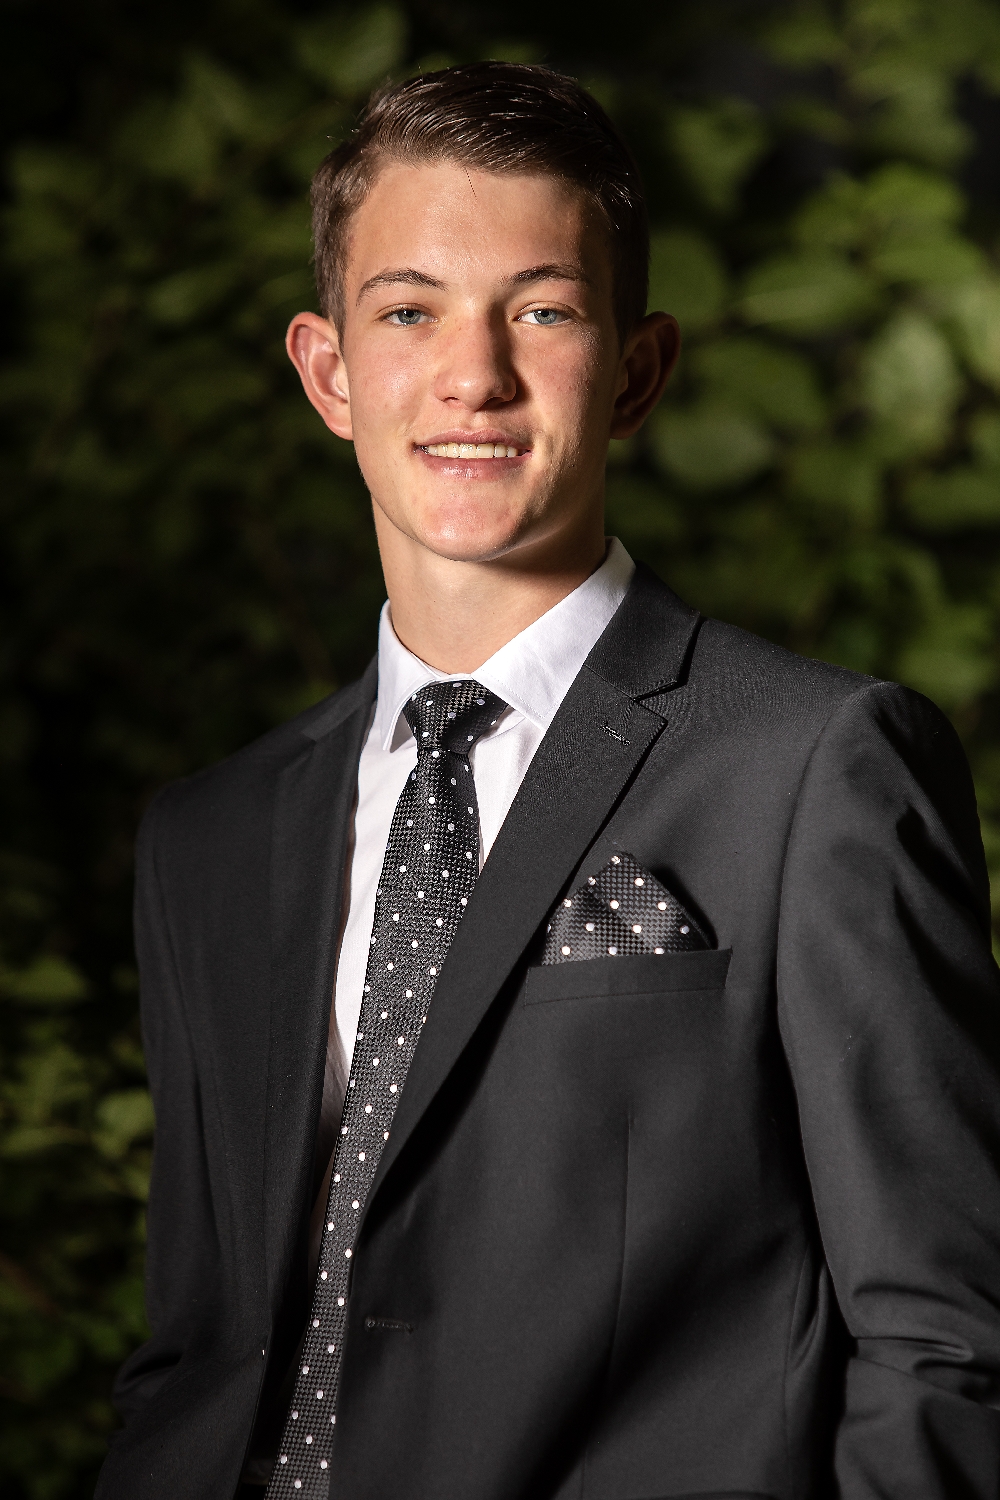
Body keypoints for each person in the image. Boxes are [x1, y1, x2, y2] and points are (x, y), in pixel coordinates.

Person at [95, 62, 1000, 1500]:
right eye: (408, 311)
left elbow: (944, 1337)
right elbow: (197, 1348)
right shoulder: (211, 837)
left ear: (636, 371)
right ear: (331, 373)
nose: (474, 376)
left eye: (543, 310)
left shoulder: (813, 768)